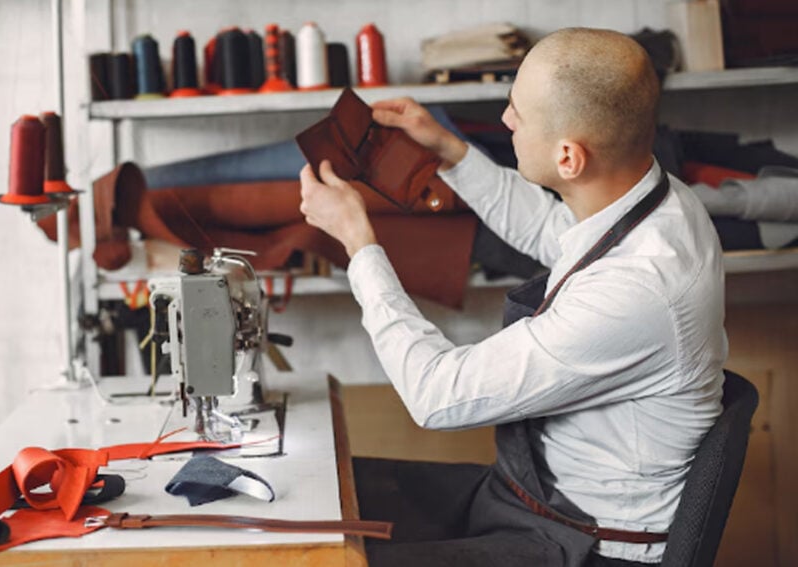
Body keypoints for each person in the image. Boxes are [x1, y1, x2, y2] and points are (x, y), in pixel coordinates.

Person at [299, 28, 727, 567]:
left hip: (585, 545)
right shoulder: (661, 201)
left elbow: (436, 394)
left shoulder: (637, 290)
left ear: (568, 158)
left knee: (323, 558)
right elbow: (549, 228)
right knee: (324, 495)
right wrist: (450, 151)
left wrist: (358, 244)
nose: (505, 120)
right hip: (536, 500)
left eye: (517, 113)